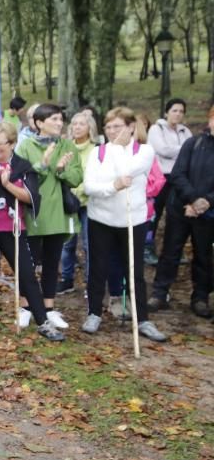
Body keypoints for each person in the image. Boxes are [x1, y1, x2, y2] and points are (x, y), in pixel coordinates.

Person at [0, 122, 65, 341]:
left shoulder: (22, 166)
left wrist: (8, 184)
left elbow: (30, 197)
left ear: (12, 144)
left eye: (0, 143)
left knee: (26, 274)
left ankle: (43, 322)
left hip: (13, 229)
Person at [80, 107, 167, 342]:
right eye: (108, 127)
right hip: (101, 219)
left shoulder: (145, 151)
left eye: (117, 126)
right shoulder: (97, 153)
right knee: (98, 268)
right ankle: (94, 313)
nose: (111, 131)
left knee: (134, 270)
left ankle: (143, 319)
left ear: (131, 127)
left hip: (133, 219)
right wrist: (112, 187)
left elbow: (127, 171)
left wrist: (117, 152)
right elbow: (90, 187)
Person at [14, 103, 83, 330]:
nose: (59, 123)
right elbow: (21, 176)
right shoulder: (25, 146)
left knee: (53, 262)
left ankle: (49, 308)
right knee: (29, 262)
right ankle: (25, 307)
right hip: (34, 211)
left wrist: (62, 169)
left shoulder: (67, 145)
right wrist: (43, 163)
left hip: (58, 213)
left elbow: (76, 178)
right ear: (39, 123)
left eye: (60, 119)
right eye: (53, 119)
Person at [149, 103, 214, 318]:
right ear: (209, 119)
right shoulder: (192, 143)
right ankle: (160, 293)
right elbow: (177, 174)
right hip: (181, 209)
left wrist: (207, 202)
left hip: (207, 213)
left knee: (203, 255)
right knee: (170, 252)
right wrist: (193, 200)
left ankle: (200, 297)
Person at [145, 98, 191, 265]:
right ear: (167, 112)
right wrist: (184, 150)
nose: (178, 114)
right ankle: (147, 248)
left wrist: (182, 152)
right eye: (174, 110)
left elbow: (191, 153)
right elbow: (163, 150)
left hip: (178, 178)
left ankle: (173, 251)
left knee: (176, 215)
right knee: (154, 214)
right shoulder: (156, 129)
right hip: (160, 177)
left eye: (181, 111)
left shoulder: (185, 132)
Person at [58, 110, 99, 294]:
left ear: (90, 127)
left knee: (90, 244)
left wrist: (81, 190)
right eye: (74, 124)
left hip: (90, 203)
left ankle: (91, 283)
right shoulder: (64, 148)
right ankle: (66, 279)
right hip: (68, 202)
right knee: (67, 243)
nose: (77, 127)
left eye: (81, 124)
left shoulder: (96, 150)